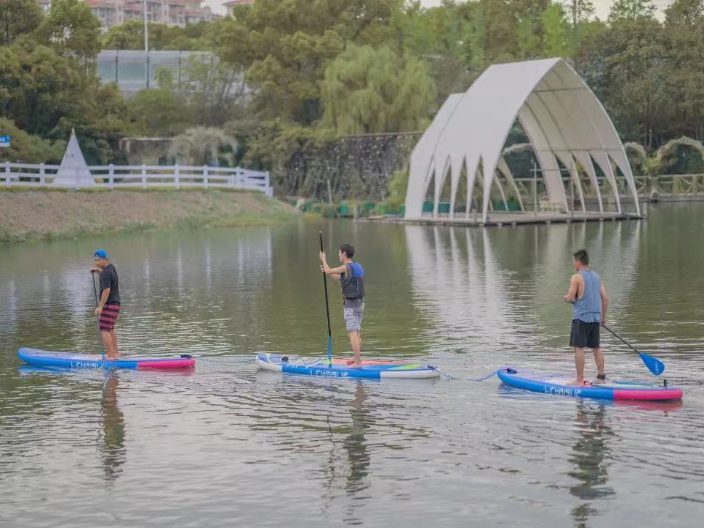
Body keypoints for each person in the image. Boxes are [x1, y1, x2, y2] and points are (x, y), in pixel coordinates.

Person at [563, 249, 609, 386]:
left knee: (579, 348)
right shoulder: (597, 277)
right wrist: (603, 318)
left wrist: (566, 298)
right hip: (595, 318)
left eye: (573, 262)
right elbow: (605, 299)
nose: (573, 264)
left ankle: (579, 379)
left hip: (581, 318)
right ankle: (601, 377)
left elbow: (571, 297)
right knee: (596, 348)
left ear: (578, 262)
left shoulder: (576, 277)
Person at [319, 244, 365, 367]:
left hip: (351, 305)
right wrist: (326, 270)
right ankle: (356, 358)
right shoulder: (357, 267)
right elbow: (337, 276)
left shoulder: (346, 267)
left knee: (352, 332)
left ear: (344, 254)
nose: (338, 255)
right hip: (360, 304)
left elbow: (330, 270)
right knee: (357, 332)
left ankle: (358, 362)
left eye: (339, 253)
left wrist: (323, 259)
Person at [90, 249, 121, 359]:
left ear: (105, 260)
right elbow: (108, 277)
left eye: (99, 260)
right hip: (115, 304)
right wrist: (98, 271)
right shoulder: (111, 268)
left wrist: (100, 306)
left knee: (104, 329)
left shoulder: (105, 274)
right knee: (110, 328)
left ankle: (110, 355)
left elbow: (106, 290)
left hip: (109, 305)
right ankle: (115, 353)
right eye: (95, 260)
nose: (96, 263)